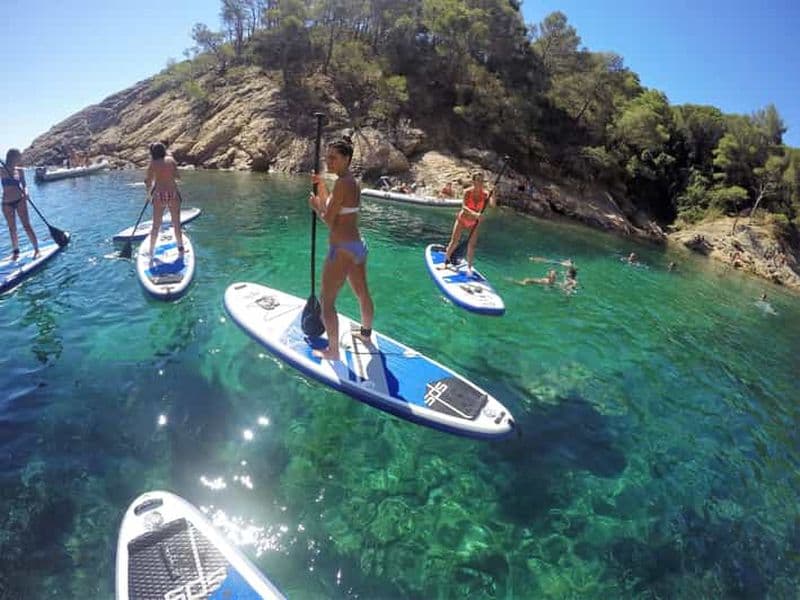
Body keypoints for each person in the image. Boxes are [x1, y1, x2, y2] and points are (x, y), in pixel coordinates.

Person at [308, 135, 374, 361]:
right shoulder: (351, 181)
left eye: (334, 158)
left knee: (327, 302)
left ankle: (333, 351)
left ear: (347, 158)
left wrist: (316, 207)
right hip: (357, 245)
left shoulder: (342, 183)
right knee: (362, 293)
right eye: (327, 158)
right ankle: (366, 334)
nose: (329, 162)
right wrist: (321, 186)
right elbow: (335, 206)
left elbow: (329, 219)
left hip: (341, 248)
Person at [441, 171, 497, 274]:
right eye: (478, 180)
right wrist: (475, 214)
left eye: (482, 180)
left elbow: (493, 205)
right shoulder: (467, 192)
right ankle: (445, 262)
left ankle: (469, 268)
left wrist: (493, 194)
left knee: (472, 245)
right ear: (473, 181)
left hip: (474, 222)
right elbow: (464, 207)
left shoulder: (486, 194)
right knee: (454, 241)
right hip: (462, 219)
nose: (480, 182)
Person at [144, 142, 183, 260]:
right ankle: (180, 247)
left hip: (159, 195)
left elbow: (147, 181)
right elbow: (178, 176)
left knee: (156, 225)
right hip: (173, 193)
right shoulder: (171, 160)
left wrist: (149, 194)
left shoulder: (153, 163)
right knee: (176, 223)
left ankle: (151, 251)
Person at [1, 149, 39, 260]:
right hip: (6, 203)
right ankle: (16, 252)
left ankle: (37, 249)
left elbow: (24, 185)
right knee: (12, 228)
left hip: (20, 200)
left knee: (26, 225)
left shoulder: (20, 171)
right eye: (19, 157)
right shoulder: (1, 170)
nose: (20, 159)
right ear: (12, 157)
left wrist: (26, 192)